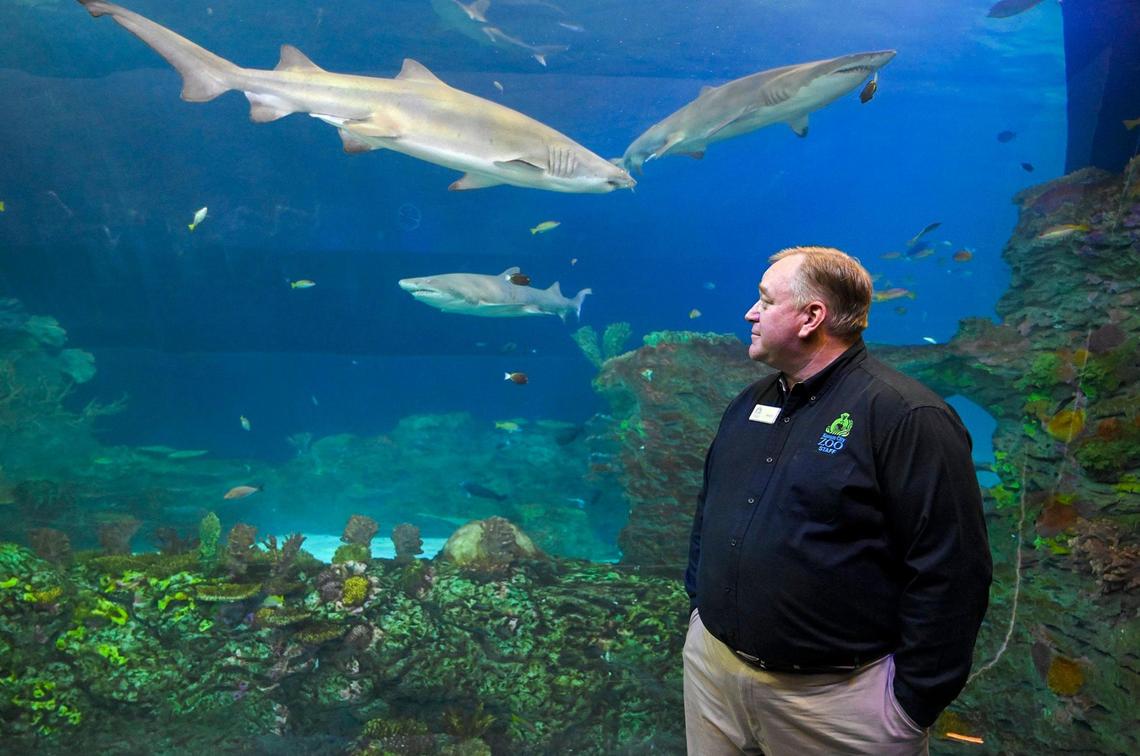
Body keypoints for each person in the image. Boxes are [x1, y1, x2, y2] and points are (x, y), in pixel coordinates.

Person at [683, 246, 992, 755]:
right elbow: (711, 507)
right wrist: (700, 606)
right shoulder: (752, 401)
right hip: (714, 672)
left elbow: (953, 570)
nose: (750, 313)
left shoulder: (906, 416)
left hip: (835, 704)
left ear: (812, 317)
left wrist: (909, 705)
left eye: (764, 300)